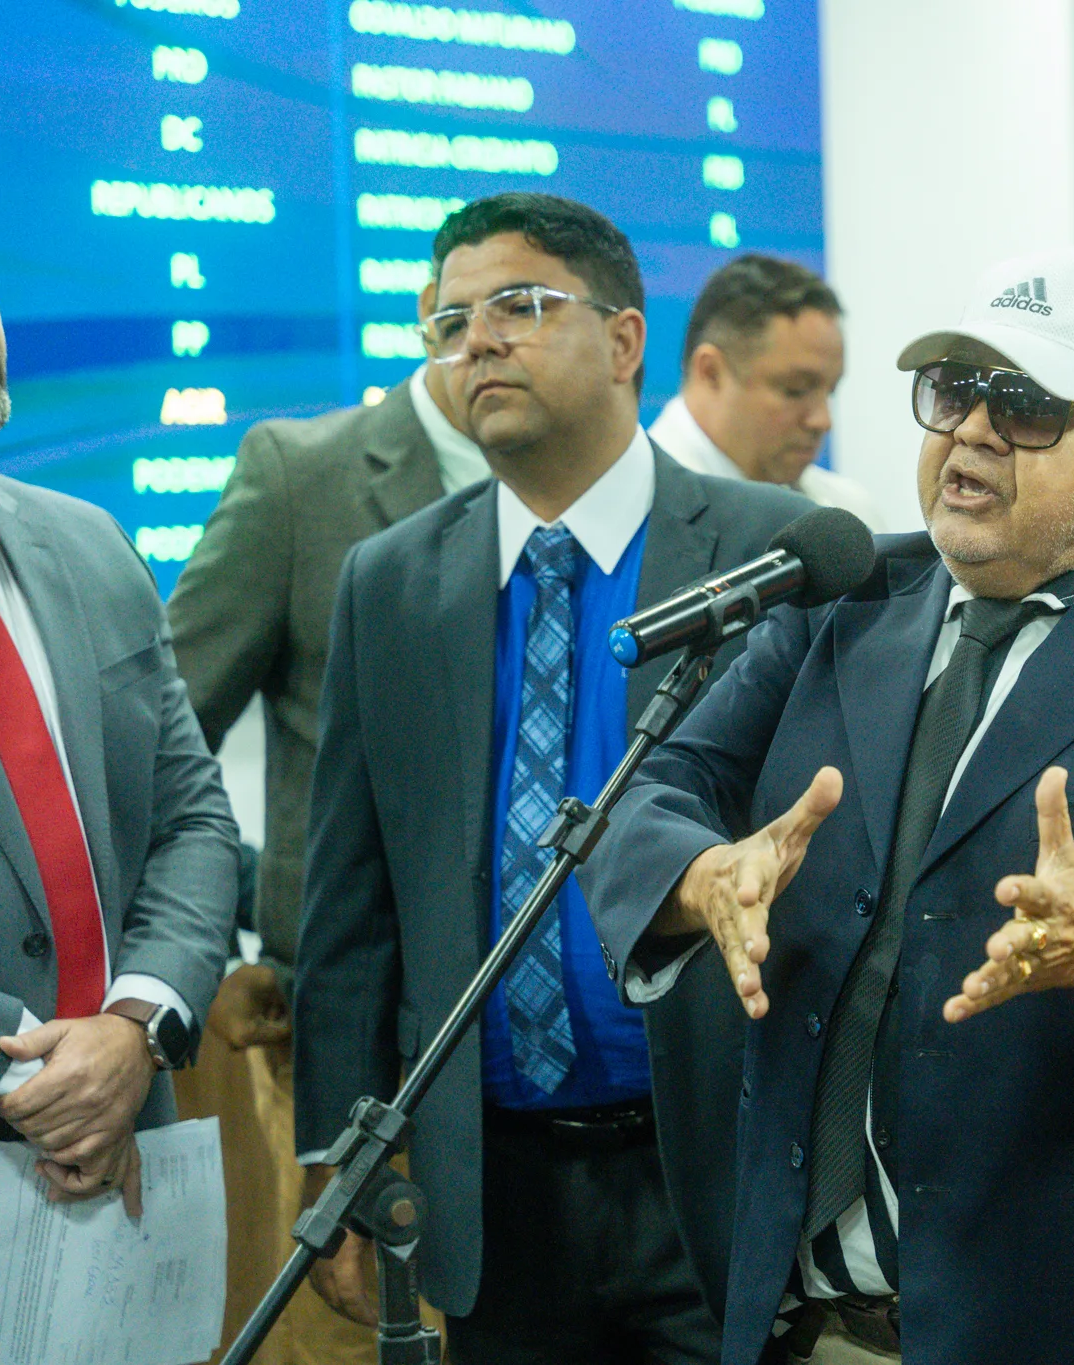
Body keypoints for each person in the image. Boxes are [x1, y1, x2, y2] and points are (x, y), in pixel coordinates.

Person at [579, 248, 1074, 1365]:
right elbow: (656, 790)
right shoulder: (841, 601)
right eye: (954, 392)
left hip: (1071, 1327)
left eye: (1030, 408)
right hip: (796, 1325)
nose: (974, 434)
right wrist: (701, 873)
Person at [293, 192, 814, 1364]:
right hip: (494, 1182)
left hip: (711, 1161)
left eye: (520, 306)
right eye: (449, 322)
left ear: (625, 340)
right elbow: (349, 895)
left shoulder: (770, 550)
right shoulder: (391, 582)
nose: (478, 340)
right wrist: (336, 1144)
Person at [0, 156, 237, 1362]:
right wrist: (34, 1075)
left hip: (135, 1193)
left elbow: (195, 821)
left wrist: (134, 1021)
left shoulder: (87, 545)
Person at [167, 299, 488, 1362]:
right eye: (470, 310)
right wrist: (201, 950)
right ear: (429, 322)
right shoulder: (302, 475)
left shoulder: (597, 499)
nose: (497, 339)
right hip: (355, 1048)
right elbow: (159, 748)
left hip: (561, 1055)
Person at [649, 254, 885, 531]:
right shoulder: (639, 514)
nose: (823, 421)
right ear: (711, 372)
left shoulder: (852, 512)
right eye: (796, 390)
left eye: (830, 391)